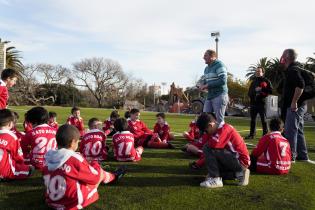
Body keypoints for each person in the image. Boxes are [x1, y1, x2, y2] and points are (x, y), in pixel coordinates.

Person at [43, 124, 126, 210]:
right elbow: (95, 178)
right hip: (72, 203)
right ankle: (114, 177)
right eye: (77, 141)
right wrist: (95, 163)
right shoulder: (74, 158)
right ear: (72, 142)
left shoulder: (48, 156)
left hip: (52, 201)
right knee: (99, 173)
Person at [197, 113, 250, 188]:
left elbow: (213, 146)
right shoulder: (217, 131)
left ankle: (215, 179)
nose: (206, 133)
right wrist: (198, 163)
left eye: (206, 131)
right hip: (233, 160)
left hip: (241, 162)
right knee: (210, 171)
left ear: (210, 125)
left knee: (208, 147)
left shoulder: (225, 128)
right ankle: (240, 174)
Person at [280, 49, 314, 164]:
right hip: (301, 105)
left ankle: (291, 156)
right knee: (298, 130)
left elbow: (300, 85)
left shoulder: (293, 70)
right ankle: (303, 156)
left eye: (283, 54)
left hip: (295, 106)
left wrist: (294, 101)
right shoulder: (296, 68)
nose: (281, 57)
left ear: (288, 57)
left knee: (291, 130)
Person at [0, 109, 34, 180]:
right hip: (4, 172)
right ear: (10, 124)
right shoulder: (11, 136)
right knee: (30, 169)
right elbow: (18, 157)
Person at [198, 50, 229, 124]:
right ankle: (207, 135)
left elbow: (223, 81)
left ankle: (221, 135)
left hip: (220, 95)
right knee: (205, 118)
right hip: (210, 96)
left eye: (205, 55)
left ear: (212, 57)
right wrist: (201, 86)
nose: (203, 57)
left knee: (219, 120)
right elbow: (206, 82)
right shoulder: (206, 68)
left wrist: (207, 85)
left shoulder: (220, 65)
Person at [245, 67, 272, 139]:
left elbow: (270, 91)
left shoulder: (266, 81)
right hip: (253, 103)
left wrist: (262, 89)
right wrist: (254, 92)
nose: (257, 72)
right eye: (256, 71)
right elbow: (249, 92)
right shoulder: (253, 82)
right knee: (252, 120)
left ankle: (265, 135)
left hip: (261, 103)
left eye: (259, 71)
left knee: (263, 119)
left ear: (262, 72)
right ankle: (251, 135)